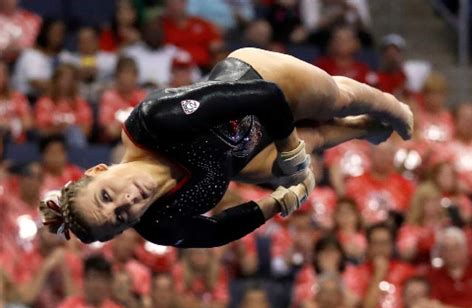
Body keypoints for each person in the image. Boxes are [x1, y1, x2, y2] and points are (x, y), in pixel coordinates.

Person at [39, 47, 413, 247]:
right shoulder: (159, 225)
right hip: (244, 151)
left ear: (98, 171)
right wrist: (277, 203)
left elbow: (265, 96)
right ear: (128, 228)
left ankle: (388, 107)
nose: (127, 202)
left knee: (334, 101)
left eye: (106, 196)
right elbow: (216, 232)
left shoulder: (155, 122)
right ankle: (363, 131)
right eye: (121, 217)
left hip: (258, 77)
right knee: (296, 157)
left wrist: (291, 150)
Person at [55, 254, 130, 308]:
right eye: (94, 278)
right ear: (84, 280)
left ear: (109, 283)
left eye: (102, 279)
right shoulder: (68, 307)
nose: (97, 284)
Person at [289, 273, 362, 308]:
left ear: (340, 298)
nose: (328, 298)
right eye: (324, 292)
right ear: (317, 296)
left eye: (333, 293)